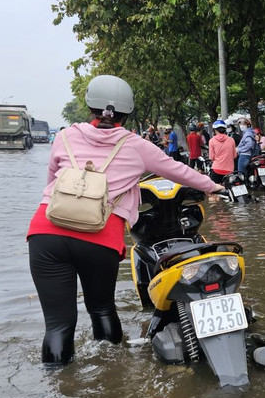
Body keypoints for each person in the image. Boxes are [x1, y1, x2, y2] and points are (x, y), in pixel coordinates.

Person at [27, 74, 226, 367]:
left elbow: (51, 184)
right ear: (127, 111)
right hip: (99, 237)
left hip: (46, 234)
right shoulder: (136, 145)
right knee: (103, 310)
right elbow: (177, 171)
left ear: (90, 105)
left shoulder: (64, 137)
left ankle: (59, 386)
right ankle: (110, 376)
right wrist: (214, 186)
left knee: (57, 325)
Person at [208, 119, 237, 183]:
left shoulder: (212, 141)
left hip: (216, 169)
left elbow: (211, 157)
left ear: (215, 130)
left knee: (213, 190)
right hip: (229, 170)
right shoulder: (231, 140)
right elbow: (234, 156)